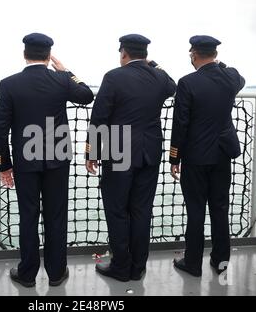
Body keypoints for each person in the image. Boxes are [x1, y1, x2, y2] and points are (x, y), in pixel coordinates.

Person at [0, 33, 94, 287]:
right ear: (49, 56)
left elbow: (2, 129)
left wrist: (3, 165)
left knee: (28, 216)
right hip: (57, 159)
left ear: (24, 54)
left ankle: (27, 274)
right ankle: (56, 273)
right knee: (56, 216)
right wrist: (67, 71)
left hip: (26, 159)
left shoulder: (8, 84)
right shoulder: (61, 80)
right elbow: (86, 95)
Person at [86, 34, 176, 282]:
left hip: (119, 150)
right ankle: (138, 267)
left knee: (116, 211)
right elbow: (173, 85)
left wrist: (91, 153)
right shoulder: (159, 78)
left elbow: (99, 118)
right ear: (145, 55)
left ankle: (120, 267)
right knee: (141, 211)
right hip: (150, 151)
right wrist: (154, 65)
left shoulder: (113, 77)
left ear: (123, 53)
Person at [170, 35, 245, 277]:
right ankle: (220, 259)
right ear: (215, 54)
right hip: (222, 154)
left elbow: (180, 124)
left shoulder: (187, 83)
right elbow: (238, 76)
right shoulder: (230, 78)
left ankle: (192, 263)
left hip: (196, 157)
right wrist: (219, 65)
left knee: (195, 211)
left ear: (193, 54)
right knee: (220, 208)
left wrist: (174, 158)